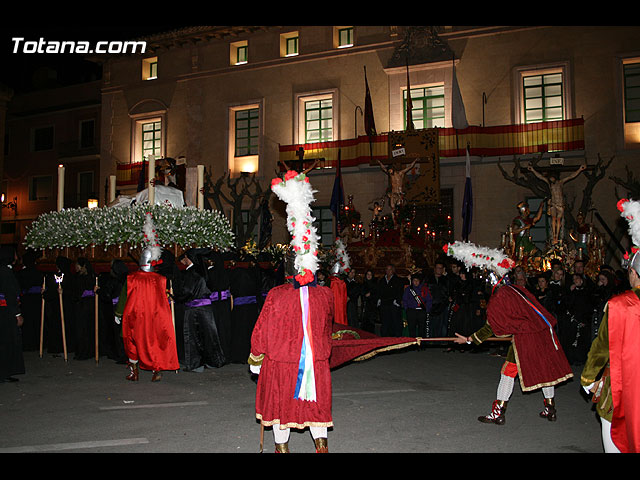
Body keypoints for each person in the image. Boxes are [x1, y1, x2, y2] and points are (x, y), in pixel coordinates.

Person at [249, 168, 333, 453]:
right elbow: (325, 329)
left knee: (280, 408)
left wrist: (256, 356)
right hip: (314, 364)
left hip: (282, 364)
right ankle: (321, 446)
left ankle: (281, 449)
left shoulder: (276, 295)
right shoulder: (325, 295)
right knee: (315, 407)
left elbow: (261, 330)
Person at [453, 278, 573, 425]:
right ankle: (550, 408)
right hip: (543, 333)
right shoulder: (518, 289)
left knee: (508, 373)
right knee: (545, 370)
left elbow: (491, 327)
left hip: (526, 338)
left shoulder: (499, 297)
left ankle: (499, 412)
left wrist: (469, 339)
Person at [580, 199, 640, 453]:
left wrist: (587, 378)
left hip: (624, 390)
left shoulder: (621, 304)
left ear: (634, 273)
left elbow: (602, 346)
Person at [114, 221, 180, 382]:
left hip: (135, 316)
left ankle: (134, 371)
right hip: (154, 317)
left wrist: (118, 312)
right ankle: (156, 370)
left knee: (132, 342)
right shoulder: (160, 279)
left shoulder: (132, 278)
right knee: (154, 341)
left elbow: (125, 296)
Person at [175, 248, 225, 372]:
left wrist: (177, 298)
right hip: (207, 308)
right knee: (209, 336)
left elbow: (187, 291)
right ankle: (214, 361)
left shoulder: (191, 272)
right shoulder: (204, 270)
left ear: (188, 258)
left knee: (193, 337)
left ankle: (196, 364)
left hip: (193, 308)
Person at [528, 163, 586, 245]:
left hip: (560, 204)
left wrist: (580, 169)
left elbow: (571, 176)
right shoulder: (549, 183)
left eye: (552, 178)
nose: (551, 179)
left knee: (558, 220)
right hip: (553, 204)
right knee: (553, 219)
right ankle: (554, 236)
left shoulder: (560, 182)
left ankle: (557, 235)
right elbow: (541, 177)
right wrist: (533, 170)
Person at [0, 246, 25, 383]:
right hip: (6, 312)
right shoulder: (5, 272)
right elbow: (10, 295)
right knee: (6, 342)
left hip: (4, 311)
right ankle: (4, 372)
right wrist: (17, 314)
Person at [15, 249, 44, 352]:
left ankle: (28, 343)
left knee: (29, 322)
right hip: (35, 300)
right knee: (35, 321)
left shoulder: (22, 273)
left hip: (28, 300)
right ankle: (36, 343)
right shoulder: (37, 272)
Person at [72, 257, 97, 361]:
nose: (75, 267)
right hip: (82, 305)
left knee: (86, 328)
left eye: (77, 265)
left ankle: (87, 351)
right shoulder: (77, 277)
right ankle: (82, 350)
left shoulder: (90, 277)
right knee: (82, 329)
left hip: (87, 306)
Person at [377, 264, 405, 337]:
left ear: (393, 270)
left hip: (393, 305)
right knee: (385, 323)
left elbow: (400, 292)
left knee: (396, 322)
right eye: (387, 269)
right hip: (384, 305)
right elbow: (379, 291)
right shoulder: (382, 280)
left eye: (390, 269)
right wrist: (379, 300)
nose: (388, 271)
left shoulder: (398, 280)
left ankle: (396, 339)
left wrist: (397, 301)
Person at [425, 260, 450, 338]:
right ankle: (431, 341)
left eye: (441, 268)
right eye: (438, 268)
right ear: (434, 269)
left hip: (443, 305)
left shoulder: (446, 280)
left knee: (442, 325)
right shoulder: (428, 278)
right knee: (431, 325)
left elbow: (449, 292)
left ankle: (441, 341)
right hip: (431, 305)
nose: (439, 270)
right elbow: (424, 291)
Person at [360, 270, 378, 334]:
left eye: (370, 274)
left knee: (371, 322)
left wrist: (371, 294)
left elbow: (377, 294)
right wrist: (366, 295)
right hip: (365, 306)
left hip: (372, 306)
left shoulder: (375, 284)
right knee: (364, 322)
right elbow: (362, 293)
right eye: (368, 274)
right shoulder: (363, 284)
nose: (369, 276)